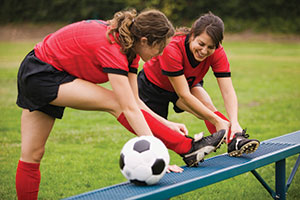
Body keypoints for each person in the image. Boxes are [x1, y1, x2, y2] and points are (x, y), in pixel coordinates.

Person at [15, 9, 226, 200]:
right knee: (114, 102)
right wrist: (157, 155)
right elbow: (126, 107)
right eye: (159, 48)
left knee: (33, 154)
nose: (161, 54)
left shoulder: (130, 49)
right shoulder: (113, 48)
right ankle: (186, 147)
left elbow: (135, 101)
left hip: (53, 70)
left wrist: (166, 124)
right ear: (145, 40)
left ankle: (183, 145)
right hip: (40, 73)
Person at [138, 12, 260, 159]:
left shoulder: (217, 52)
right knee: (158, 132)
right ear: (192, 35)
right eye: (201, 44)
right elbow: (183, 94)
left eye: (210, 47)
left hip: (187, 82)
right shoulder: (173, 47)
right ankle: (159, 162)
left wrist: (234, 122)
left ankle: (234, 139)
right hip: (153, 86)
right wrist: (216, 121)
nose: (204, 51)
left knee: (208, 107)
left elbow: (228, 91)